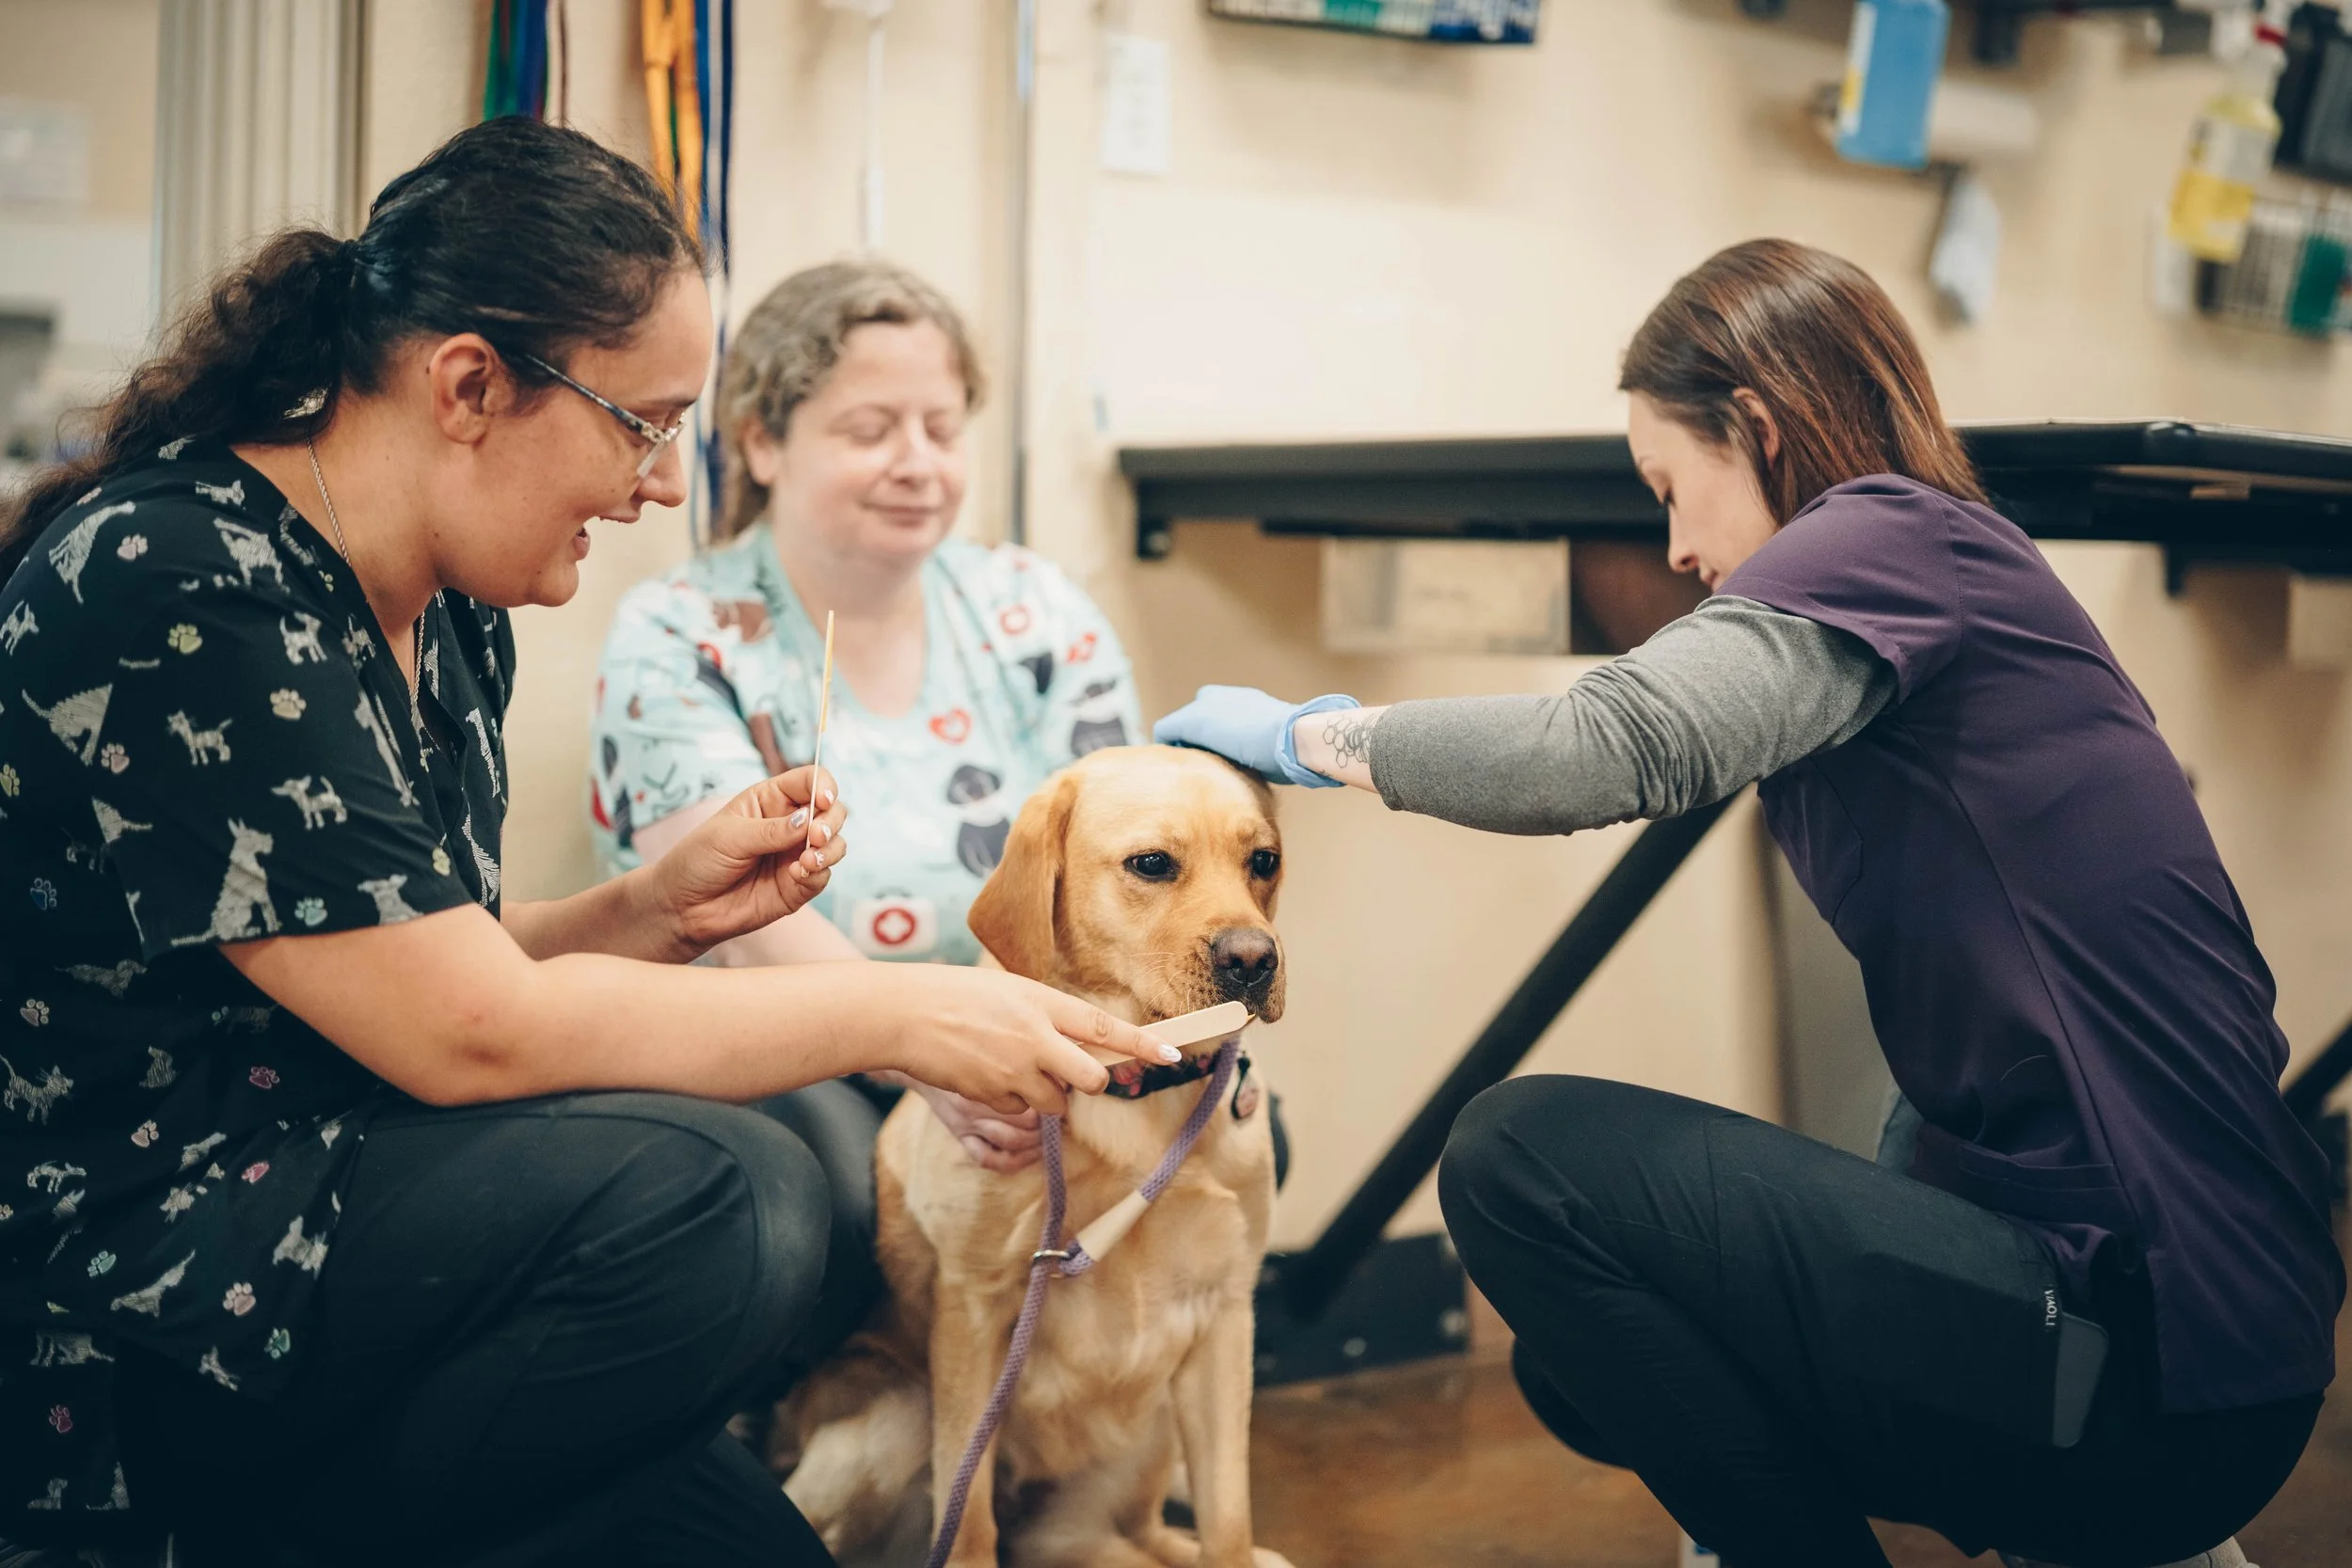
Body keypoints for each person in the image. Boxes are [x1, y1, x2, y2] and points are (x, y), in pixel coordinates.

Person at [0, 119, 1173, 1568]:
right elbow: (468, 1037)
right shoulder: (182, 575)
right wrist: (915, 1009)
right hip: (145, 1279)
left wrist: (645, 909)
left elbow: (409, 965)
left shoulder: (455, 606)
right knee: (727, 1192)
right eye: (644, 421)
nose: (668, 483)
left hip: (337, 1191)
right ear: (471, 384)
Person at [1154, 239, 2342, 1568]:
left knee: (1519, 1153)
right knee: (1587, 1359)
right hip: (2182, 1350)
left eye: (1673, 486)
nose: (1675, 546)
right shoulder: (1951, 593)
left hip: (2150, 1358)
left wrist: (1312, 736)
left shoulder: (1891, 537)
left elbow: (1593, 754)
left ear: (1762, 429)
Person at [591, 260, 1285, 1395]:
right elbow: (739, 917)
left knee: (1232, 1142)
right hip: (793, 1043)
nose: (918, 463)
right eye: (871, 428)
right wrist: (917, 1043)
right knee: (831, 1200)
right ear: (763, 442)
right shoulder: (682, 632)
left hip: (1016, 1025)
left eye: (941, 426)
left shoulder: (1034, 611)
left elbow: (1129, 863)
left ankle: (1070, 1465)